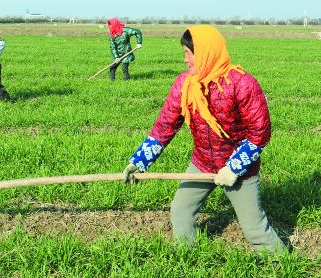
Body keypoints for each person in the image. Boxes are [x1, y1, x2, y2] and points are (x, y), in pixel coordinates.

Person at [122, 25, 286, 253]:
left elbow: (259, 133)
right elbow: (164, 127)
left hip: (238, 171)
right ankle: (187, 259)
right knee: (181, 211)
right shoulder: (184, 84)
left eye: (189, 53)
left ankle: (284, 266)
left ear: (205, 53)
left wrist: (233, 168)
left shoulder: (242, 83)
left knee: (255, 229)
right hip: (202, 163)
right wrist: (139, 162)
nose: (185, 59)